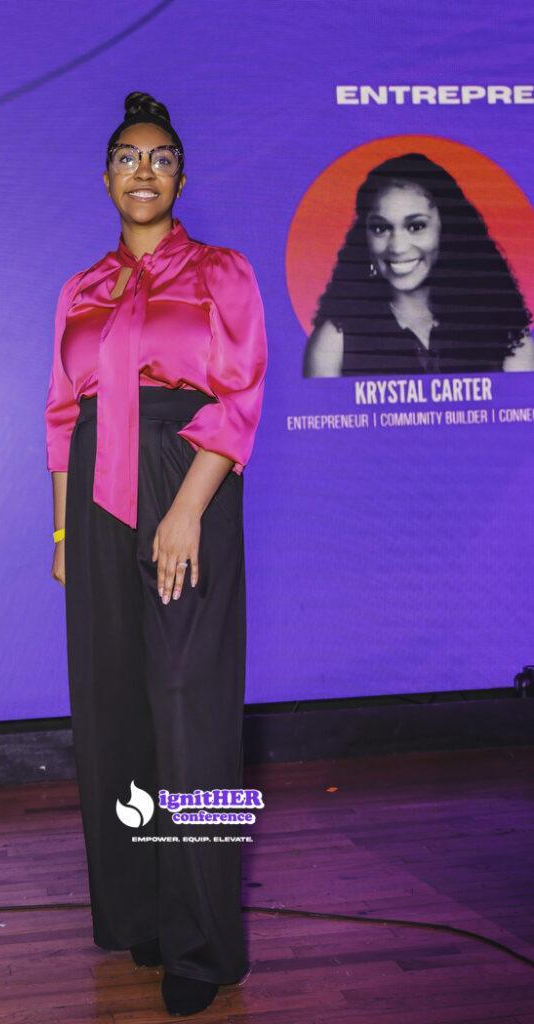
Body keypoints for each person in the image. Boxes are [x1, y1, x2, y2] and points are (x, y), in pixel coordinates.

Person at [44, 91, 267, 1017]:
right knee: (113, 709)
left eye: (161, 158)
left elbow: (239, 396)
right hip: (95, 494)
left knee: (188, 711)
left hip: (187, 479)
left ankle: (203, 945)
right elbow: (62, 417)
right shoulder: (80, 288)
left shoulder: (221, 271)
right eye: (128, 158)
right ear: (105, 179)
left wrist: (183, 512)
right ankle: (139, 911)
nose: (144, 171)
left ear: (180, 177)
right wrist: (64, 533)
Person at [304, 152, 534, 376]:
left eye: (416, 226)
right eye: (380, 228)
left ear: (449, 229)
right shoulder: (334, 342)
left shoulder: (506, 335)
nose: (397, 247)